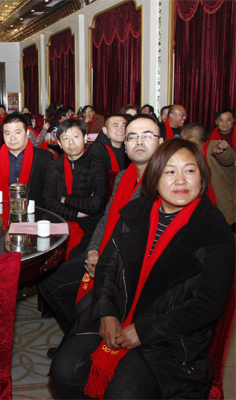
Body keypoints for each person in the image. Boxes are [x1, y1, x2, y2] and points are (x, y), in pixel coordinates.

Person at [50, 139, 234, 399]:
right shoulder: (136, 212)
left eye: (190, 170)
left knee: (124, 393)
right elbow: (107, 267)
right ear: (155, 177)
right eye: (170, 171)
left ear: (202, 177)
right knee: (64, 371)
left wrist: (143, 331)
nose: (181, 181)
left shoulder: (214, 229)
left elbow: (208, 304)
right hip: (118, 310)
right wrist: (106, 313)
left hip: (170, 333)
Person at [39, 115, 162, 337]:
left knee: (63, 286)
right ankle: (76, 336)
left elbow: (96, 207)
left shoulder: (163, 183)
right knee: (48, 280)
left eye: (147, 136)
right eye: (133, 137)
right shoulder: (124, 176)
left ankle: (81, 337)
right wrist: (94, 249)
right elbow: (105, 218)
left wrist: (66, 199)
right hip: (101, 246)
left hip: (127, 266)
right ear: (125, 144)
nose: (139, 142)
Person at [42, 119, 108, 261]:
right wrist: (77, 213)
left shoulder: (97, 165)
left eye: (76, 136)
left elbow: (96, 204)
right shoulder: (54, 166)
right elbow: (48, 201)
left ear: (85, 138)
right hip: (59, 222)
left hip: (90, 226)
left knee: (72, 262)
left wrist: (66, 199)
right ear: (60, 144)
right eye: (66, 138)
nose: (71, 142)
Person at [0, 114, 54, 206]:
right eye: (7, 133)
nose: (12, 138)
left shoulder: (43, 158)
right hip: (2, 210)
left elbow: (49, 194)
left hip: (34, 211)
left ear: (27, 133)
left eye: (17, 132)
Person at [205, 109, 236, 229]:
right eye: (221, 120)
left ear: (233, 120)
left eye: (228, 120)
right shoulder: (209, 138)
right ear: (216, 122)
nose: (225, 123)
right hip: (221, 178)